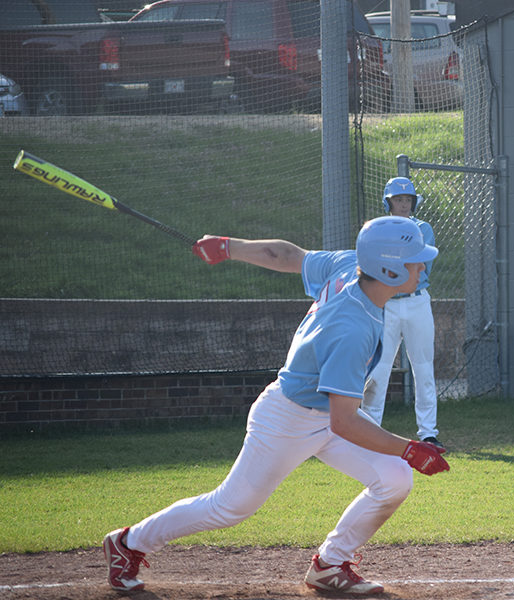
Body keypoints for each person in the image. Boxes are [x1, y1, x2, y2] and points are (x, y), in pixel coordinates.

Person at [102, 216, 449, 596]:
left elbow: (287, 255)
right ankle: (128, 543)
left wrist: (228, 246)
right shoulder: (352, 329)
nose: (422, 265)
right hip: (288, 418)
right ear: (390, 267)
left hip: (325, 413)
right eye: (415, 259)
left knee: (395, 478)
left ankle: (330, 565)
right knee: (229, 508)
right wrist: (410, 448)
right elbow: (345, 423)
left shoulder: (352, 265)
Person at [362, 177, 442, 448]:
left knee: (423, 366)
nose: (404, 204)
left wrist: (393, 262)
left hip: (417, 301)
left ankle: (428, 432)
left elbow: (416, 267)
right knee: (380, 367)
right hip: (387, 303)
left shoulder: (423, 228)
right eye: (399, 199)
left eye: (408, 200)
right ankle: (370, 428)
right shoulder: (378, 229)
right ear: (389, 203)